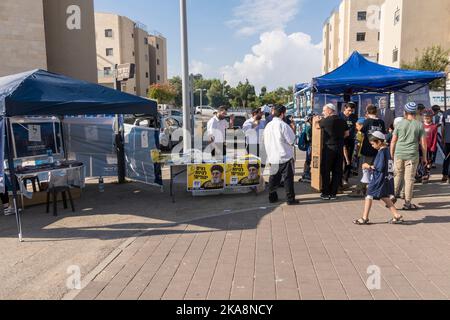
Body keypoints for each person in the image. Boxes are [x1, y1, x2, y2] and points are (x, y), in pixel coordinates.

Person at [353, 132, 404, 225]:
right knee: (384, 196)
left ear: (379, 142)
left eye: (373, 143)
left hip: (378, 178)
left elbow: (379, 167)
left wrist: (368, 166)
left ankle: (364, 218)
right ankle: (396, 215)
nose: (372, 146)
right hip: (385, 177)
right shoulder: (387, 150)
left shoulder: (381, 152)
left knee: (369, 195)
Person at [391, 102, 428, 211]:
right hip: (412, 155)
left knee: (397, 175)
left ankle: (392, 197)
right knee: (409, 179)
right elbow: (423, 143)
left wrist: (392, 154)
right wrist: (425, 157)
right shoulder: (419, 124)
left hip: (399, 153)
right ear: (416, 112)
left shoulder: (399, 124)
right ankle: (407, 203)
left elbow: (393, 141)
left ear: (405, 112)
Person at [264, 105, 299, 205]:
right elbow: (291, 141)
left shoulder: (268, 125)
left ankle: (272, 197)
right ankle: (290, 199)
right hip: (284, 156)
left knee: (273, 178)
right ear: (283, 114)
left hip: (272, 156)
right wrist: (293, 129)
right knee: (288, 179)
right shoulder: (283, 125)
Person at [350, 105, 386, 198]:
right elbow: (384, 134)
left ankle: (360, 190)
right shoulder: (381, 122)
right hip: (378, 149)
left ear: (367, 112)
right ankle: (374, 188)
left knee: (364, 170)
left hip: (367, 149)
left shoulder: (367, 121)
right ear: (376, 112)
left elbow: (360, 132)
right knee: (375, 169)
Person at [317, 104, 349, 201]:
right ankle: (333, 193)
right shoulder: (343, 121)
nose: (323, 112)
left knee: (325, 170)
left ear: (330, 110)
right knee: (337, 171)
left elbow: (316, 127)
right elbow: (347, 134)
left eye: (324, 110)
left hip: (328, 148)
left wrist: (316, 120)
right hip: (339, 148)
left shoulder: (325, 121)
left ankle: (326, 193)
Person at [340, 102, 358, 185]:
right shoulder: (340, 116)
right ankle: (339, 177)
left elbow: (356, 127)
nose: (350, 112)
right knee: (341, 159)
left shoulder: (354, 117)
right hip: (341, 140)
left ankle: (345, 178)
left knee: (348, 160)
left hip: (350, 140)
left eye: (352, 111)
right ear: (345, 108)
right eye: (349, 110)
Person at [422, 109, 438, 183]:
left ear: (431, 118)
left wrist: (433, 147)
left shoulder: (434, 127)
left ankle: (427, 173)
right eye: (425, 118)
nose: (427, 119)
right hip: (422, 147)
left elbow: (435, 138)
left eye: (428, 118)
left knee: (428, 161)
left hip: (430, 147)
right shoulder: (421, 125)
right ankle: (422, 173)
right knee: (422, 161)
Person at [299, 114, 313, 183]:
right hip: (309, 145)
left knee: (307, 160)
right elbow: (308, 138)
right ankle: (306, 174)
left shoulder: (307, 126)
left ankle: (305, 173)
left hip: (308, 146)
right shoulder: (309, 127)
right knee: (308, 160)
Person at [442, 106, 450, 184]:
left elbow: (443, 127)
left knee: (446, 158)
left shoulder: (445, 113)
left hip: (447, 139)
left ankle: (445, 175)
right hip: (447, 139)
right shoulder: (445, 113)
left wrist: (443, 138)